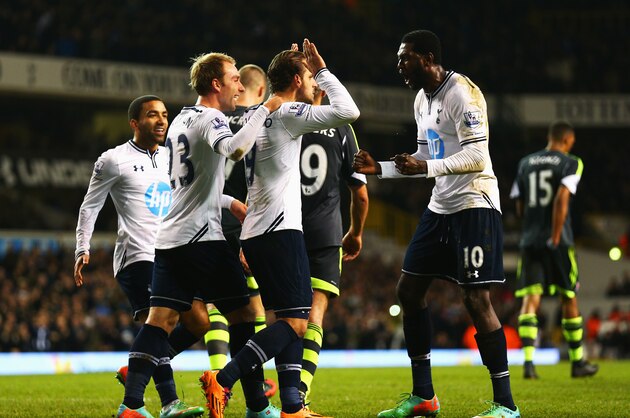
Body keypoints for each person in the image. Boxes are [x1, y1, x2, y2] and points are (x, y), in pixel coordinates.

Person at [353, 30, 520, 418]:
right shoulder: (420, 100)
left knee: (476, 299)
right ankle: (424, 396)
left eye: (405, 58)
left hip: (475, 202)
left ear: (428, 57)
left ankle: (506, 404)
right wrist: (382, 168)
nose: (399, 66)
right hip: (441, 206)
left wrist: (426, 167)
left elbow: (478, 155)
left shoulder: (462, 92)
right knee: (408, 292)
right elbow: (424, 156)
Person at [200, 39, 359, 418]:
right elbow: (349, 111)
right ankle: (224, 378)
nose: (313, 83)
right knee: (297, 323)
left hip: (256, 231)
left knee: (284, 317)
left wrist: (299, 67)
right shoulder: (290, 113)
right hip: (280, 230)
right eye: (307, 77)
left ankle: (292, 405)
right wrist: (321, 68)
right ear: (294, 78)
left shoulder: (256, 115)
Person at [116, 54, 282, 418]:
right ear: (216, 85)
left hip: (170, 238)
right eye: (234, 79)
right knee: (243, 315)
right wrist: (265, 108)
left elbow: (186, 184)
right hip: (203, 239)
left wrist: (227, 200)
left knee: (159, 321)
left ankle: (130, 405)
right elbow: (235, 148)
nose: (240, 86)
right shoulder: (212, 118)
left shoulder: (180, 120)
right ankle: (257, 405)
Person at [74, 95, 206, 418]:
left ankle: (139, 364)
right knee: (161, 322)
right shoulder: (113, 160)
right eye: (152, 115)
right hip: (137, 255)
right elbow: (90, 205)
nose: (161, 121)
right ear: (135, 123)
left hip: (171, 253)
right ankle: (152, 403)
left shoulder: (173, 157)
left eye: (164, 115)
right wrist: (82, 247)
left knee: (199, 321)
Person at [203, 63, 278, 397]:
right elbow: (257, 180)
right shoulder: (258, 122)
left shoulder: (215, 118)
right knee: (252, 309)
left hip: (210, 221)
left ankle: (221, 369)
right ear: (261, 91)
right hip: (245, 221)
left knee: (219, 306)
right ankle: (241, 378)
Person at [298, 86, 369, 417]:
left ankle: (259, 390)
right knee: (315, 316)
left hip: (284, 230)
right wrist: (355, 233)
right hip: (326, 234)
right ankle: (299, 396)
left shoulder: (281, 119)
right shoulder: (341, 127)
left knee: (280, 316)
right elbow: (360, 192)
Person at [510, 120, 598, 379]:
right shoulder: (571, 162)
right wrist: (556, 236)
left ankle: (528, 364)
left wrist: (530, 227)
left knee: (530, 299)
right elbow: (561, 198)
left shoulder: (525, 163)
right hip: (558, 240)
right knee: (568, 297)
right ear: (567, 140)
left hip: (529, 240)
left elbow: (519, 203)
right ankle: (577, 362)